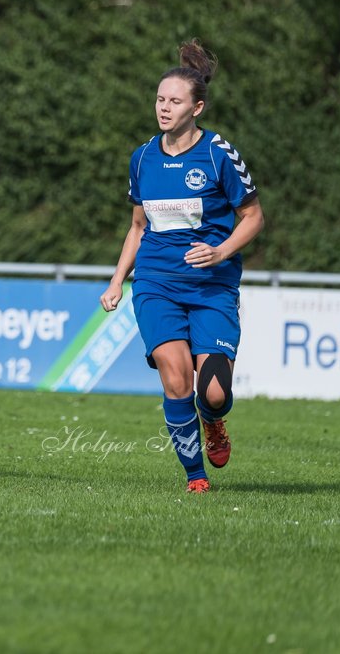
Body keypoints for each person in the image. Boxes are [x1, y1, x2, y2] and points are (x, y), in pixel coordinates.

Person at [99, 39, 265, 494]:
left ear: (198, 107)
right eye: (160, 99)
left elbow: (253, 217)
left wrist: (221, 251)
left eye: (174, 101)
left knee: (212, 393)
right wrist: (117, 280)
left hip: (212, 286)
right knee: (176, 378)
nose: (164, 108)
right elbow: (137, 227)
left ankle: (214, 423)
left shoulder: (218, 154)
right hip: (156, 284)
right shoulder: (143, 157)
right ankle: (196, 478)